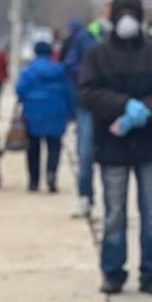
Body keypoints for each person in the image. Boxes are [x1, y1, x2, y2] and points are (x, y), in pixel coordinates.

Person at [79, 0, 152, 296]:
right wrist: (124, 106)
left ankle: (151, 273)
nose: (127, 19)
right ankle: (113, 272)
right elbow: (88, 93)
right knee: (114, 214)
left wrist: (146, 110)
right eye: (121, 13)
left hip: (151, 144)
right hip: (113, 146)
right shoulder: (97, 55)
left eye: (132, 13)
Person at [14, 41, 74, 193]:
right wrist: (71, 112)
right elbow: (69, 92)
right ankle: (51, 174)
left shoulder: (28, 71)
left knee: (33, 148)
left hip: (33, 112)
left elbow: (20, 90)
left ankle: (34, 181)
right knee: (54, 146)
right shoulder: (59, 70)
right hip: (56, 111)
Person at [63, 16, 99, 219]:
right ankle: (85, 196)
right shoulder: (84, 39)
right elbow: (70, 66)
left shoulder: (115, 37)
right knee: (85, 154)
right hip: (87, 103)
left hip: (113, 105)